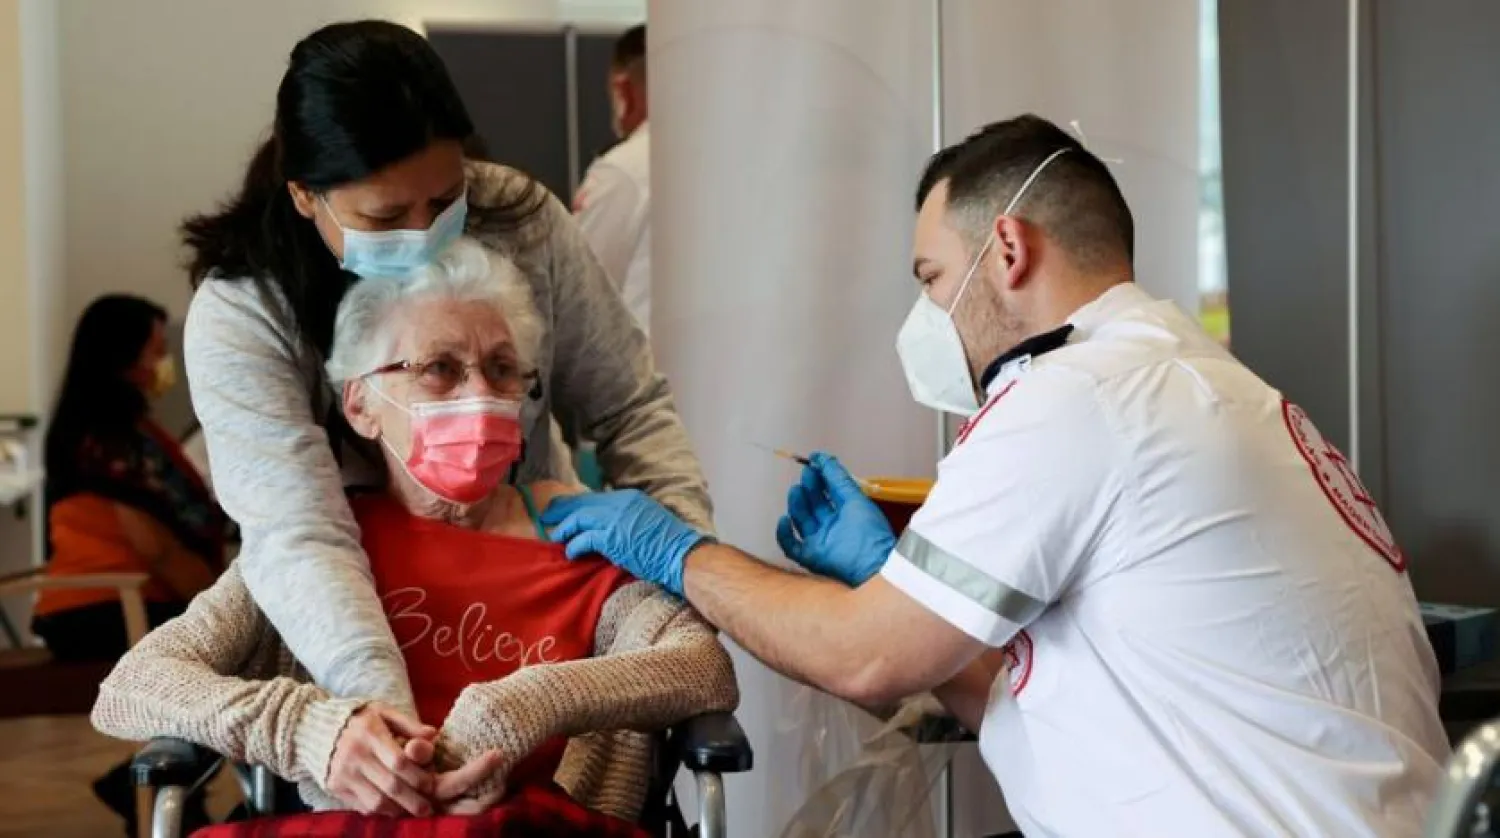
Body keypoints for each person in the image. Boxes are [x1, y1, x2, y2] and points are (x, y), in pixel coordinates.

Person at [541, 115, 1450, 836]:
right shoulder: (1206, 385)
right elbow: (1038, 698)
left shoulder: (1073, 399)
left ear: (1007, 249)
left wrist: (673, 547)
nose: (928, 313)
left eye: (931, 279)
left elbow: (865, 657)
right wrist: (882, 577)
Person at [179, 19, 712, 809]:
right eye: (386, 218)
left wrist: (678, 560)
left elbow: (628, 407)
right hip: (350, 661)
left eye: (445, 200)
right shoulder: (245, 311)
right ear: (305, 196)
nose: (425, 237)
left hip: (533, 603)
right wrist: (384, 730)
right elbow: (298, 533)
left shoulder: (523, 220)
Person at [93, 240, 737, 832]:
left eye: (503, 369)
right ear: (360, 405)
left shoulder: (583, 534)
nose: (481, 394)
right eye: (440, 368)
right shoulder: (321, 555)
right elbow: (135, 684)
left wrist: (529, 704)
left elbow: (701, 667)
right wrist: (313, 729)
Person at [35, 293, 228, 834]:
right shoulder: (109, 441)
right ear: (123, 355)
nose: (164, 364)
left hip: (121, 599)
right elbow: (156, 547)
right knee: (238, 652)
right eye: (156, 350)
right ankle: (160, 785)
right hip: (102, 605)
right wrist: (220, 602)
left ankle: (171, 786)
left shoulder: (119, 429)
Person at [573, 24, 652, 334]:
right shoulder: (745, 161)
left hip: (647, 369)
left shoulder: (624, 170)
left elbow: (578, 288)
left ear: (624, 91)